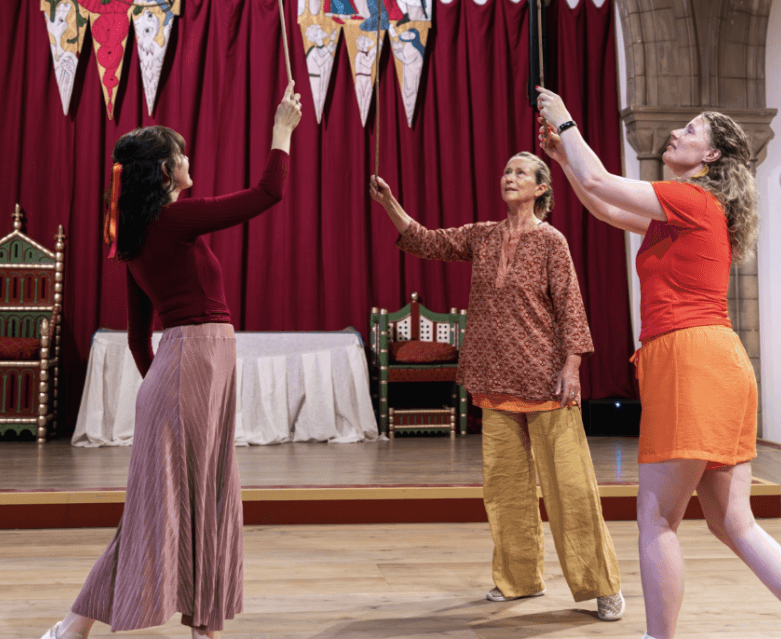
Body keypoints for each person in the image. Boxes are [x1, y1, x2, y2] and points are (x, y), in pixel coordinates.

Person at [534, 87, 781, 639]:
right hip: (719, 362)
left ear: (712, 157)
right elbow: (603, 204)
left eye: (692, 131)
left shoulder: (692, 199)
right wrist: (562, 160)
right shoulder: (689, 209)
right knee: (732, 522)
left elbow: (603, 182)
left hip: (691, 359)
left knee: (656, 520)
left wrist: (568, 121)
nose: (676, 134)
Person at [40, 82, 303, 639]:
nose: (189, 160)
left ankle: (101, 627)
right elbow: (266, 193)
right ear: (164, 171)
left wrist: (163, 384)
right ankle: (83, 624)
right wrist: (282, 128)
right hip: (194, 364)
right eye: (180, 154)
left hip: (187, 368)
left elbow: (140, 339)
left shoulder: (136, 234)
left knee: (187, 501)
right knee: (177, 506)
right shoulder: (171, 221)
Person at [368, 152, 625, 621]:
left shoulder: (551, 242)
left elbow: (571, 307)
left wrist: (572, 367)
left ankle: (600, 585)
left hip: (546, 381)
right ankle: (520, 580)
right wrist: (391, 204)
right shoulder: (483, 235)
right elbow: (426, 240)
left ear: (542, 188)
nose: (509, 177)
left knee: (570, 489)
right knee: (506, 491)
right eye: (506, 171)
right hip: (493, 378)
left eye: (520, 172)